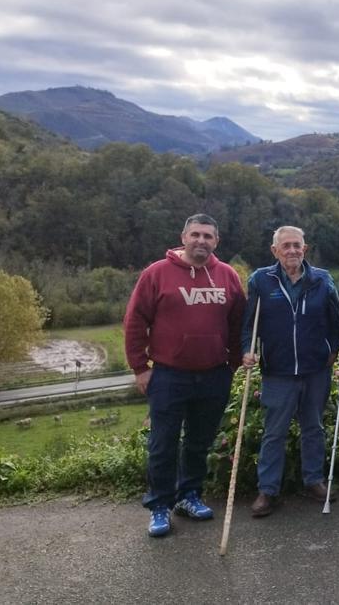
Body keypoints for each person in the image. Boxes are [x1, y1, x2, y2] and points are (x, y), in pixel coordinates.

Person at [124, 213, 246, 538]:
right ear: (184, 237)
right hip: (168, 376)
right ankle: (160, 506)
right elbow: (136, 321)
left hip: (213, 375)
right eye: (196, 235)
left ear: (216, 241)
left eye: (208, 236)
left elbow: (238, 325)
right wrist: (140, 368)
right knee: (162, 444)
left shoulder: (227, 276)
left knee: (198, 443)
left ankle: (189, 495)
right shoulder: (157, 274)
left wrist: (233, 364)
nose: (201, 241)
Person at [242, 226, 339, 518]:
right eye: (285, 246)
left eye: (297, 245)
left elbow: (336, 322)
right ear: (275, 251)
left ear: (305, 248)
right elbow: (249, 325)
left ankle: (313, 481)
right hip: (278, 371)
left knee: (314, 428)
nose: (292, 251)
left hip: (315, 370)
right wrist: (248, 349)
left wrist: (333, 352)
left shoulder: (322, 279)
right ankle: (268, 490)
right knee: (274, 433)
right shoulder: (261, 280)